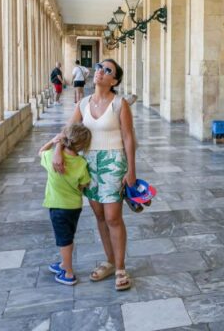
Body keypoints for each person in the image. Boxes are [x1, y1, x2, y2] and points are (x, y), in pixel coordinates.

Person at [52, 59, 138, 291]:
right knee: (99, 216)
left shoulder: (120, 104)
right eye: (100, 66)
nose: (100, 71)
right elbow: (67, 132)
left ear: (114, 80)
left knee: (113, 217)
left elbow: (129, 138)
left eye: (107, 70)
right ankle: (109, 261)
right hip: (88, 164)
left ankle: (120, 267)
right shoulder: (83, 104)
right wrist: (58, 150)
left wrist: (131, 170)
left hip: (113, 162)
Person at [39, 123, 92, 286]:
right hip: (74, 207)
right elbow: (84, 184)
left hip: (58, 206)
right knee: (68, 236)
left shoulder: (50, 158)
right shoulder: (82, 163)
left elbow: (40, 151)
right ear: (82, 145)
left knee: (64, 240)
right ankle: (63, 264)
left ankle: (68, 273)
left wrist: (54, 142)